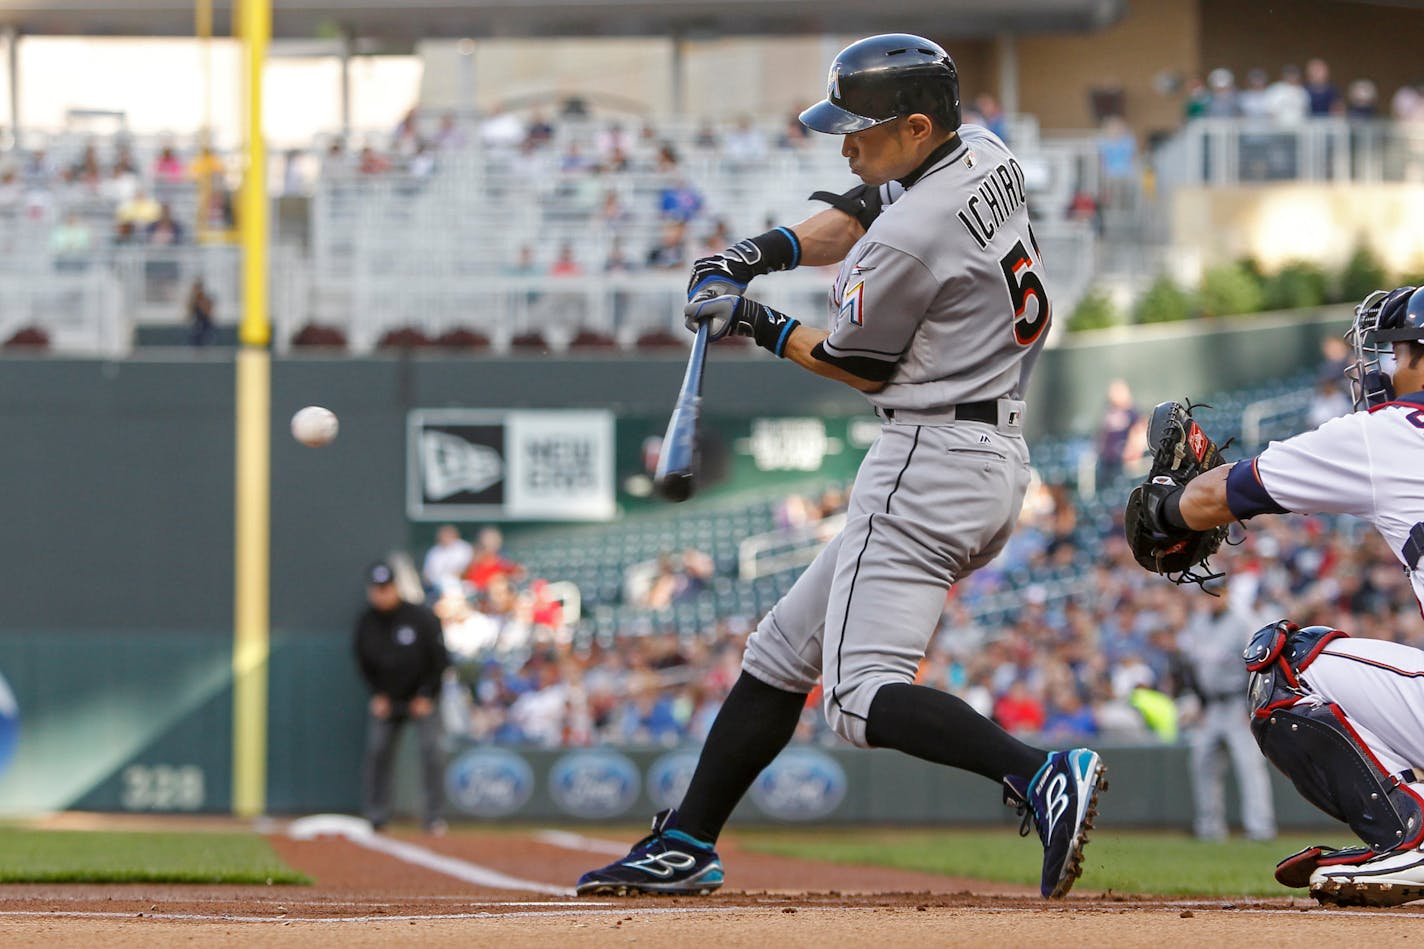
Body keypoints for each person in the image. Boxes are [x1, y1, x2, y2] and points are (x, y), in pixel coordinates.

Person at [576, 33, 1105, 901]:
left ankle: (1037, 771)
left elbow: (862, 365)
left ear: (918, 124)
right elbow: (867, 202)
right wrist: (761, 253)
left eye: (862, 128)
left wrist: (754, 318)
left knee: (859, 701)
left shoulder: (914, 237)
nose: (846, 142)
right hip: (985, 449)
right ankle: (687, 839)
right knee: (783, 647)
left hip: (927, 454)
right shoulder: (981, 152)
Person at [1133, 285, 1424, 906]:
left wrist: (1163, 504)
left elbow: (1220, 496)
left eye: (1396, 352)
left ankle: (1410, 835)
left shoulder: (1391, 434)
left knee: (1285, 662)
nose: (1385, 367)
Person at [1176, 576, 1277, 842]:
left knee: (1249, 767)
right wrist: (1196, 701)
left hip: (1237, 705)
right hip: (1210, 707)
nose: (1212, 597)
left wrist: (1252, 708)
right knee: (1202, 764)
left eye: (1217, 592)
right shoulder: (1198, 623)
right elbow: (1191, 667)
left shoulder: (1244, 623)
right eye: (1207, 593)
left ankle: (1260, 828)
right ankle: (1209, 828)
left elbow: (1258, 669)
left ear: (1226, 593)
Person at [353, 561, 450, 835]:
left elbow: (440, 660)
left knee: (432, 751)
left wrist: (426, 694)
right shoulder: (366, 622)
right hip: (388, 699)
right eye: (377, 588)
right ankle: (376, 815)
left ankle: (434, 817)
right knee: (378, 750)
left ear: (395, 587)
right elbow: (362, 663)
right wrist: (377, 695)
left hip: (422, 697)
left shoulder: (420, 617)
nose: (381, 594)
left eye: (386, 588)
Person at [422, 524, 474, 597]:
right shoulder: (434, 551)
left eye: (448, 535)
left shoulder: (464, 548)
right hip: (435, 587)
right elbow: (427, 574)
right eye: (443, 535)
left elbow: (467, 569)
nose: (445, 537)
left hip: (459, 584)